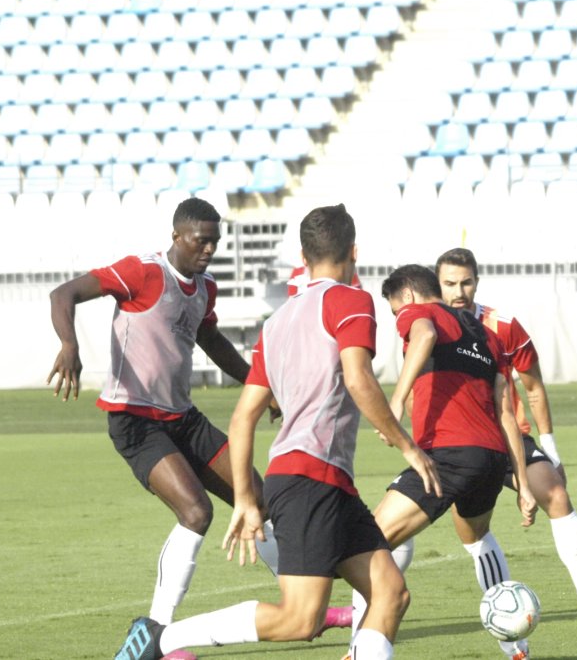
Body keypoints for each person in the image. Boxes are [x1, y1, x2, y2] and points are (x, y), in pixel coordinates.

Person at [114, 204, 443, 660]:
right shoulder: (351, 300)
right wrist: (408, 446)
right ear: (354, 251)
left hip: (322, 481)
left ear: (304, 257)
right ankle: (161, 638)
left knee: (390, 593)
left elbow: (243, 416)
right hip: (310, 480)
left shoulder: (278, 321)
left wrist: (248, 500)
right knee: (300, 620)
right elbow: (358, 379)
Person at [48, 197, 278, 630]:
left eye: (215, 242)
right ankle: (155, 628)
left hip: (183, 419)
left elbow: (211, 341)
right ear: (177, 236)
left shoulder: (205, 287)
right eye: (200, 241)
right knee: (196, 512)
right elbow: (64, 294)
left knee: (257, 500)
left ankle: (300, 602)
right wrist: (69, 345)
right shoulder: (144, 271)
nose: (208, 250)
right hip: (134, 419)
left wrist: (258, 386)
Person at [356, 264, 537, 660]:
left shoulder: (417, 312)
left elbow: (424, 335)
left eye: (394, 312)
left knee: (364, 546)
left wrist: (396, 401)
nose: (397, 322)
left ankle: (361, 647)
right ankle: (516, 647)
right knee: (477, 539)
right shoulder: (486, 335)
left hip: (448, 455)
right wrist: (522, 483)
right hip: (490, 460)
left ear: (406, 296)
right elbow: (505, 411)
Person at [432, 247, 577, 626]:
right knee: (466, 533)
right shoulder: (427, 327)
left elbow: (533, 388)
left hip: (511, 440)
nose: (459, 291)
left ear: (477, 281)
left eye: (466, 282)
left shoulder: (504, 325)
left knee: (558, 495)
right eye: (450, 283)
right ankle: (499, 612)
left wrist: (551, 450)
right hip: (460, 446)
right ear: (438, 285)